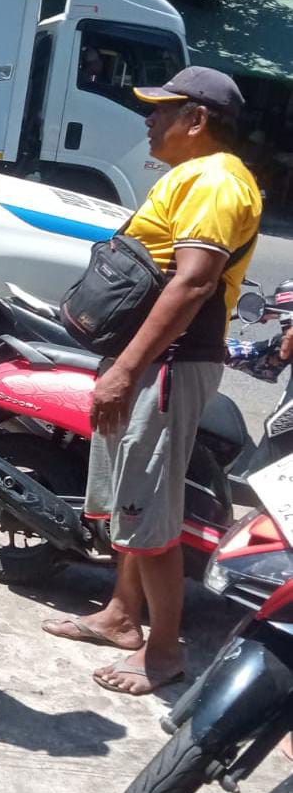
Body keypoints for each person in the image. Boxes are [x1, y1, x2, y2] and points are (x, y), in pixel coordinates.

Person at [42, 66, 261, 696]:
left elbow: (193, 282)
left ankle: (164, 652)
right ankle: (120, 615)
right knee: (129, 499)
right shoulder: (195, 175)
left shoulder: (217, 181)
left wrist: (127, 369)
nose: (149, 119)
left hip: (167, 364)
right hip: (149, 361)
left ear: (197, 119)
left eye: (162, 109)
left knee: (148, 510)